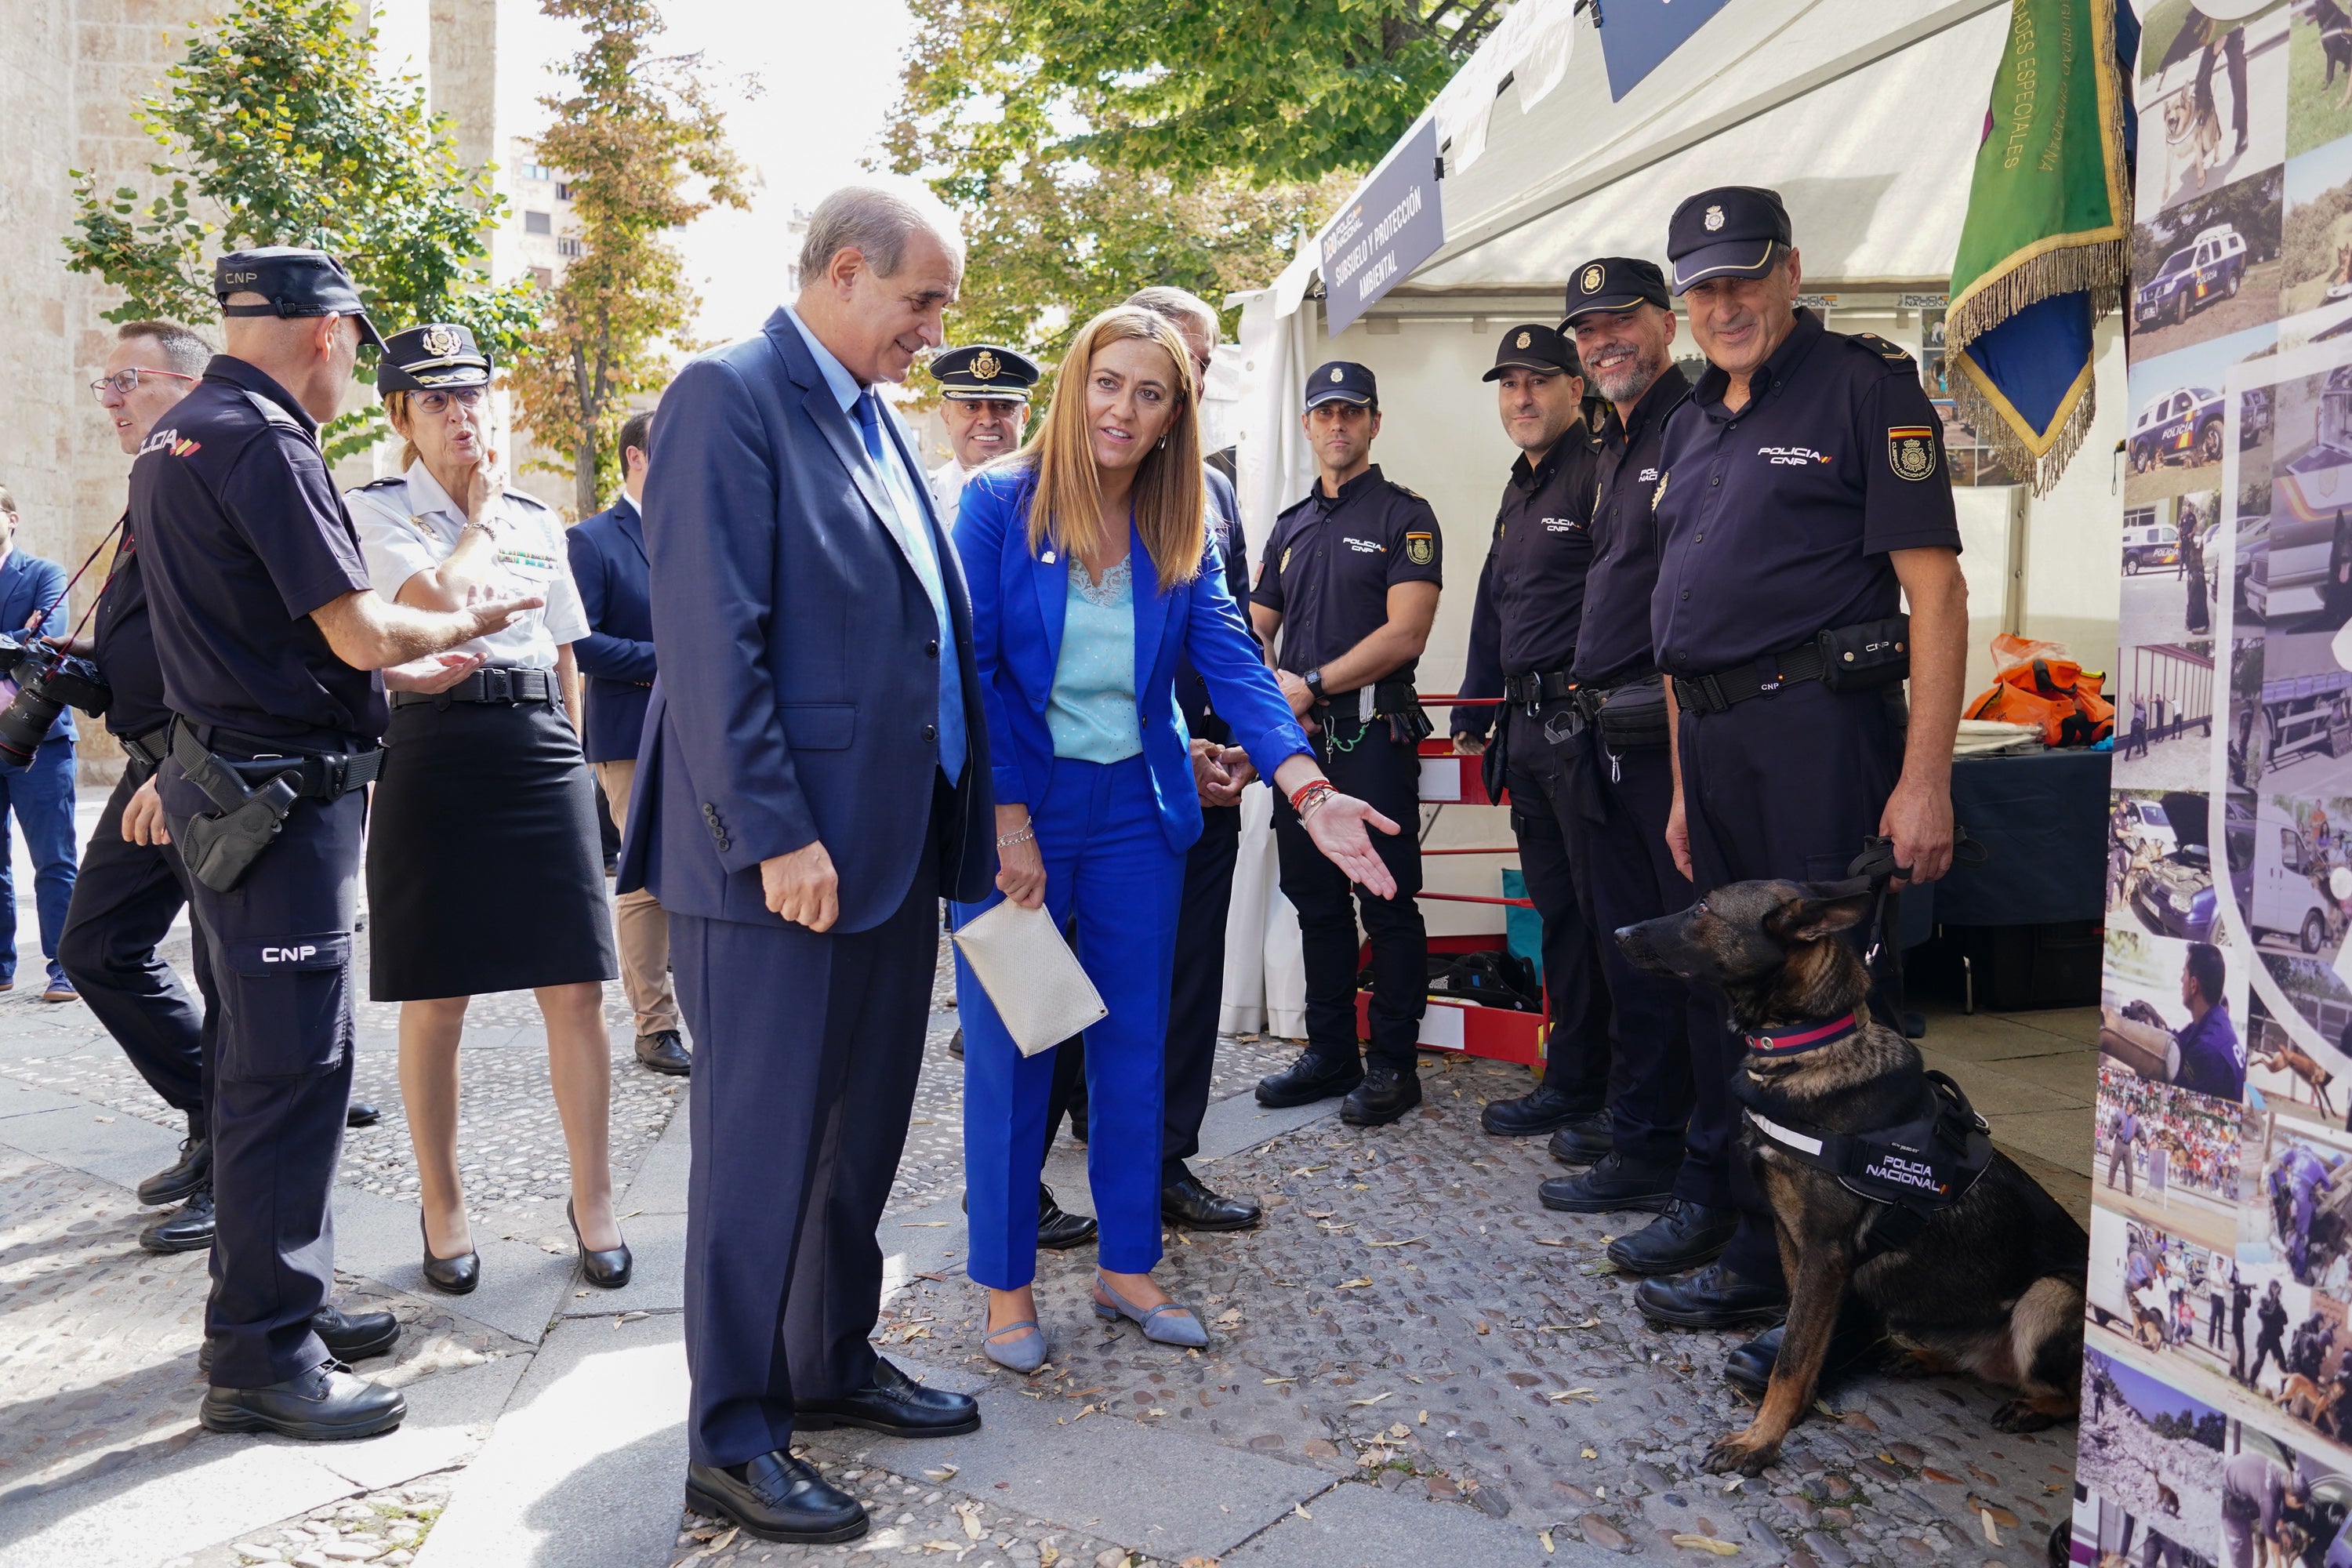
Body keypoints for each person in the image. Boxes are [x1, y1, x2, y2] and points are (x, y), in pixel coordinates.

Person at [622, 180, 991, 1545]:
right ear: (845, 273)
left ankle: (828, 1357)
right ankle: (731, 1433)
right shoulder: (729, 395)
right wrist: (777, 833)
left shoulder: (873, 418)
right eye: (922, 301)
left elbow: (922, 636)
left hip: (890, 847)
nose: (935, 328)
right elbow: (713, 641)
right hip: (781, 860)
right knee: (762, 1155)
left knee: (858, 1137)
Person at [136, 246, 535, 1439]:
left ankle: (278, 1302)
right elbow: (361, 634)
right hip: (277, 802)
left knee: (274, 1069)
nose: (356, 364)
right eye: (358, 343)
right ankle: (260, 1355)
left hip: (238, 790)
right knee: (290, 1077)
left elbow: (273, 627)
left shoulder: (182, 430)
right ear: (331, 332)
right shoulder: (262, 440)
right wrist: (479, 608)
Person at [954, 306, 1397, 1375]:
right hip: (1018, 813)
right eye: (1109, 383)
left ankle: (1128, 1264)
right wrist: (1008, 819)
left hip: (1136, 813)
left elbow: (1232, 659)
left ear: (1175, 413)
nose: (1124, 409)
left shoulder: (1182, 506)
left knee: (1135, 1045)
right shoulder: (996, 500)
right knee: (1018, 1052)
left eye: (1151, 393)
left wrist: (1305, 784)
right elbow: (969, 673)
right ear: (1076, 383)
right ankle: (1006, 1287)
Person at [1637, 188, 1969, 1374]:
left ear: (1791, 271)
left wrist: (1924, 778)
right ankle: (1752, 1250)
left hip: (1820, 734)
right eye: (1703, 289)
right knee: (1739, 1003)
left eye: (1743, 278)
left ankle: (1860, 1293)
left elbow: (1936, 593)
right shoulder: (1689, 421)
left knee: (1837, 1029)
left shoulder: (1867, 389)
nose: (1724, 306)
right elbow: (1684, 629)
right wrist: (1684, 784)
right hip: (1716, 744)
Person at [345, 324, 626, 1296]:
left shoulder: (538, 516)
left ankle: (593, 1199)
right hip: (430, 747)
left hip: (536, 749)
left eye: (473, 395)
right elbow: (432, 598)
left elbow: (562, 652)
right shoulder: (374, 511)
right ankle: (444, 1202)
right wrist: (474, 523)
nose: (463, 414)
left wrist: (580, 764)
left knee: (578, 987)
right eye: (437, 400)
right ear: (400, 418)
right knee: (437, 998)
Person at [1542, 258, 1729, 1277]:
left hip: (1668, 732)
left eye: (1621, 323)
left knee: (1689, 962)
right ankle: (1645, 1137)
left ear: (1667, 321)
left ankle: (1693, 1166)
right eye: (1588, 330)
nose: (1603, 341)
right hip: (1605, 732)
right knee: (1633, 955)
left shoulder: (1697, 420)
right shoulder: (1618, 437)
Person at [1250, 361, 1441, 1127]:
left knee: (1387, 901)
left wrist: (1312, 681)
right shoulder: (1291, 524)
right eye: (1324, 413)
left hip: (1371, 729)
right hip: (1299, 742)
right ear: (1306, 426)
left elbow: (1407, 632)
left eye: (1351, 412)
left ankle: (1394, 1064)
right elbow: (1254, 623)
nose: (1337, 425)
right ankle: (1332, 1050)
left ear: (1373, 422)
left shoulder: (1406, 515)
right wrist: (1272, 691)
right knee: (1316, 903)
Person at [1446, 323, 1615, 1153]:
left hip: (1584, 728)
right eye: (1508, 385)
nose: (1522, 398)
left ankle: (1625, 1097)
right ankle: (1576, 1078)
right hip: (1525, 728)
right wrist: (1475, 710)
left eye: (1538, 381)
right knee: (1558, 915)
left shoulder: (1601, 470)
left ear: (1575, 387)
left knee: (1604, 914)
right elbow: (1494, 605)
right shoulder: (1521, 485)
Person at [1127, 283, 1264, 1232]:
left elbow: (1233, 629)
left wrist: (1252, 746)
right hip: (1103, 782)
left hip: (1204, 774)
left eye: (1206, 362)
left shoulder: (1212, 489)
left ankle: (1168, 1157)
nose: (1194, 377)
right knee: (1079, 984)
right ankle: (1037, 1171)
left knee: (1188, 979)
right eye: (1182, 357)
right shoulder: (1061, 477)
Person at [568, 409, 689, 1077]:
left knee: (703, 871)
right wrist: (667, 659)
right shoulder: (590, 540)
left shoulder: (697, 530)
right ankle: (655, 1026)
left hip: (703, 730)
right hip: (632, 732)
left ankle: (707, 1008)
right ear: (636, 459)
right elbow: (580, 640)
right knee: (647, 878)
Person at [0, 485, 82, 1003]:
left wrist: (27, 640)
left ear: (12, 517)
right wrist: (15, 638)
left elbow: (45, 646)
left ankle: (66, 970)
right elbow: (20, 646)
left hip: (39, 741)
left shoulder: (44, 574)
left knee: (54, 860)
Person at [927, 344, 1038, 532]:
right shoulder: (919, 499)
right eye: (971, 407)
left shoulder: (1057, 499)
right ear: (947, 418)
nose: (987, 420)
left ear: (1024, 418)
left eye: (1003, 406)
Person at [2171, 941, 2243, 1100]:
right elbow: (2181, 1042)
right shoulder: (2216, 1019)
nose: (2181, 979)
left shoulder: (2207, 1048)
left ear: (2193, 985)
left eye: (2184, 973)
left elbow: (2175, 1095)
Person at [2220, 1450, 2304, 1568]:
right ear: (2293, 1500)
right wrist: (2278, 1565)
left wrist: (2283, 1530)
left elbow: (2273, 1509)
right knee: (2242, 1556)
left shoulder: (2279, 1477)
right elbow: (2273, 1548)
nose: (2299, 1508)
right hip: (2228, 1494)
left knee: (2247, 1543)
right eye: (2300, 1506)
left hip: (2234, 1470)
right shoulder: (2268, 1501)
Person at [2252, 1279, 2290, 1388]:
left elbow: (2285, 1320)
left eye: (2276, 1287)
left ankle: (2284, 1398)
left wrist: (2277, 1305)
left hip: (2275, 1340)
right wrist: (2274, 1300)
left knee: (2282, 1366)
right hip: (2265, 1337)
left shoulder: (2278, 1304)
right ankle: (2251, 1382)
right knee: (2260, 1361)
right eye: (2273, 1287)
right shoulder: (2264, 1301)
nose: (2275, 1290)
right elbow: (2269, 1315)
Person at [2110, 1102, 2139, 1194]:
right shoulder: (2120, 1114)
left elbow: (2140, 1130)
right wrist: (2111, 1133)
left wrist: (2142, 1139)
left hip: (2127, 1145)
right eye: (2131, 1107)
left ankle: (2129, 1191)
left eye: (2133, 1107)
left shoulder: (2135, 1119)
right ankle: (2110, 1183)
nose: (2133, 1108)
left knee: (2129, 1169)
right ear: (2127, 1107)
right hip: (2119, 1142)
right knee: (2114, 1165)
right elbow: (2114, 1123)